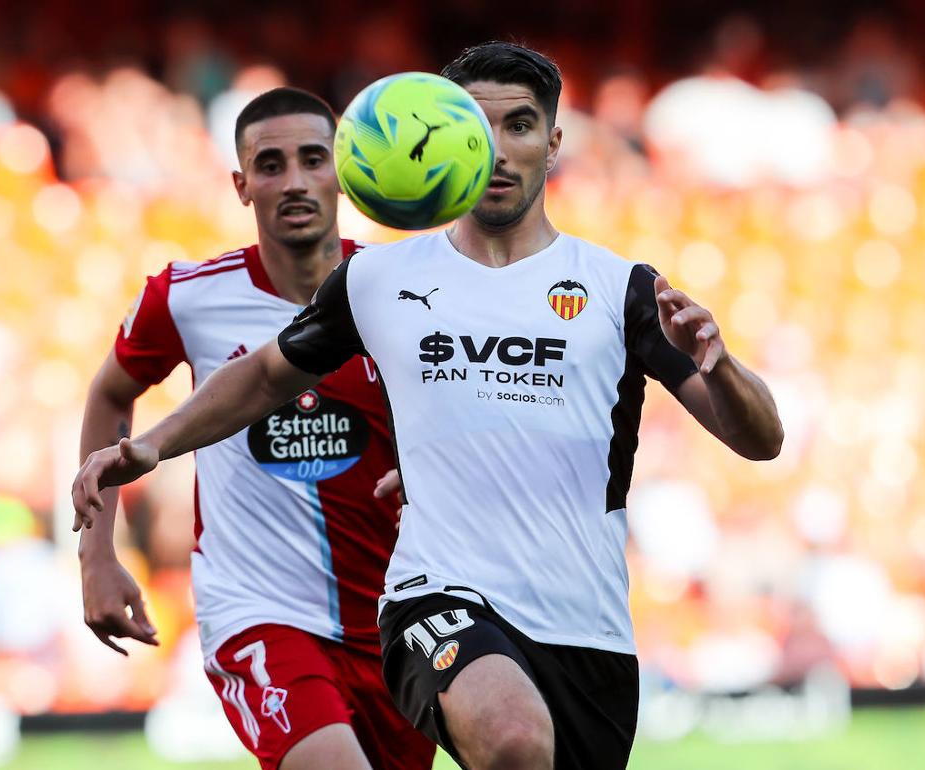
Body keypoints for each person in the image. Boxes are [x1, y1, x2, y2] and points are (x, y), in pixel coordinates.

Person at [73, 43, 783, 770]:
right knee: (511, 739)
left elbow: (760, 441)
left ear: (554, 143)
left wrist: (723, 370)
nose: (500, 152)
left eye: (521, 126)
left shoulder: (620, 288)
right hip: (435, 597)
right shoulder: (378, 279)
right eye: (479, 129)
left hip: (585, 626)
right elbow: (263, 377)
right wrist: (155, 445)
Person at [74, 87, 434, 770]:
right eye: (271, 165)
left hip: (391, 616)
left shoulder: (402, 292)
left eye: (313, 159)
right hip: (259, 612)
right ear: (242, 186)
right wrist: (97, 558)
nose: (294, 181)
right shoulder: (186, 297)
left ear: (346, 170)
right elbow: (109, 395)